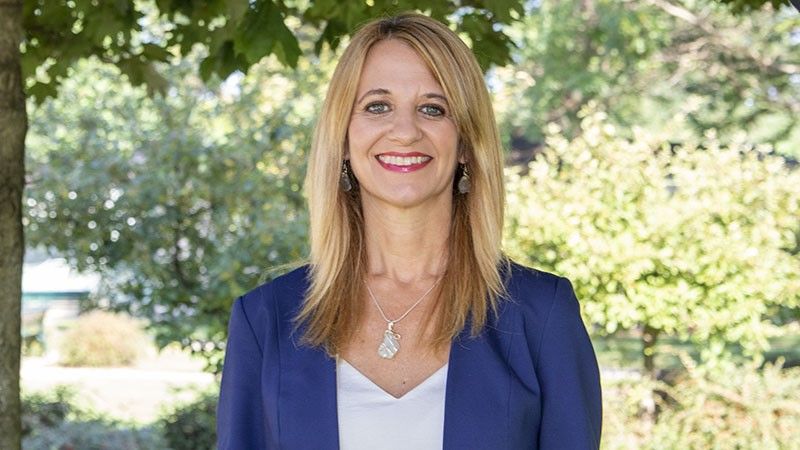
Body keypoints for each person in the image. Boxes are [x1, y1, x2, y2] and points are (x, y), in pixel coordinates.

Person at [217, 13, 601, 450]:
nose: (404, 131)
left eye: (433, 109)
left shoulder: (541, 314)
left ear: (466, 145)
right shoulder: (265, 319)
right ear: (343, 139)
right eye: (377, 106)